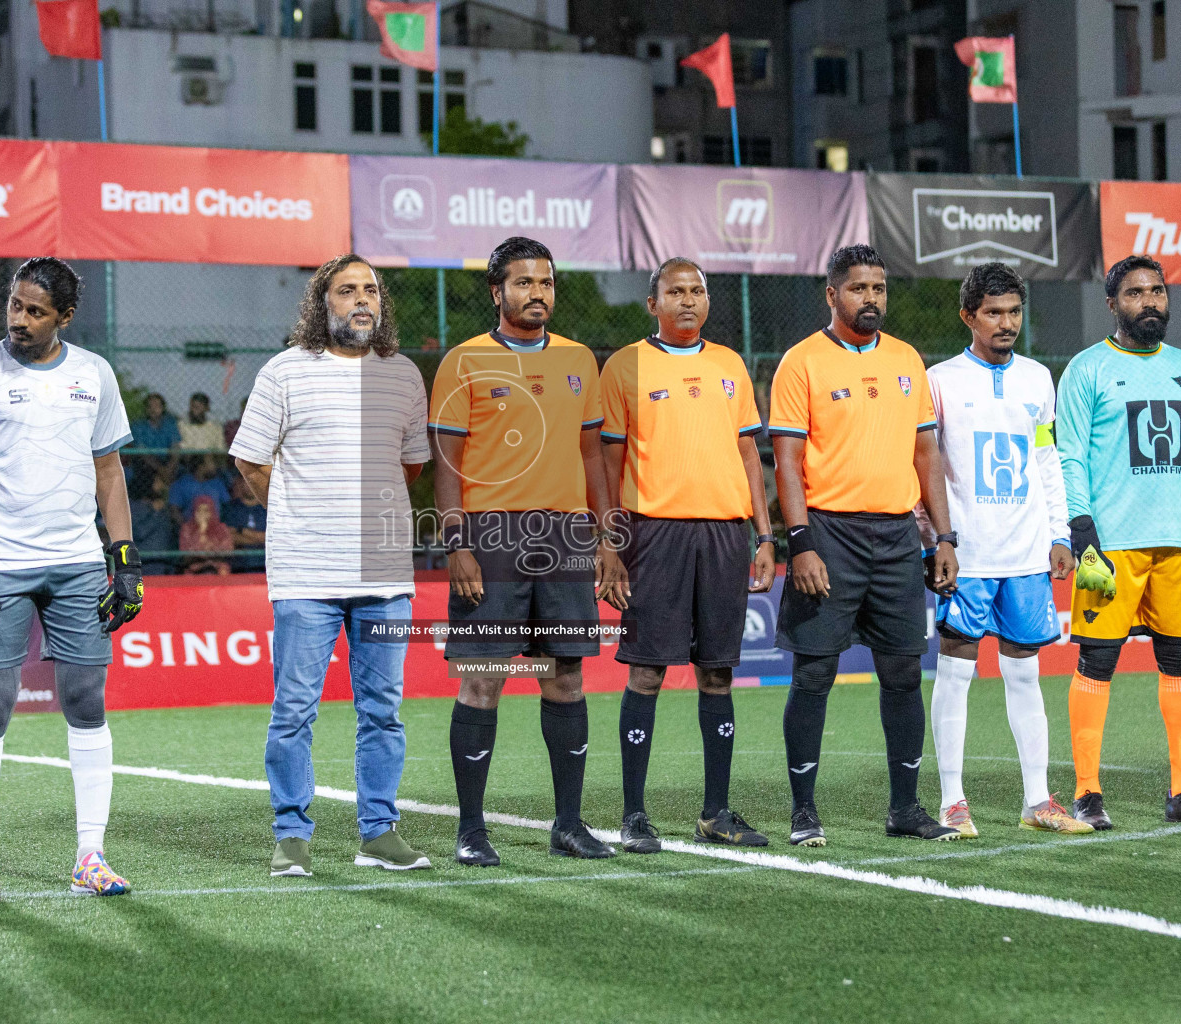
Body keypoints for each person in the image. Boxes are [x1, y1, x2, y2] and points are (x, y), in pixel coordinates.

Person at [0, 256, 144, 904]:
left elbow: (109, 472)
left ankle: (90, 854)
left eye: (34, 311)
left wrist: (125, 560)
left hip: (78, 562)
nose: (18, 320)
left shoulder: (93, 374)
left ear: (65, 317)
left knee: (86, 700)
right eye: (13, 305)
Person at [232, 254, 432, 877]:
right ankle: (291, 835)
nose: (361, 300)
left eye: (370, 289)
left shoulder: (402, 375)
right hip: (305, 574)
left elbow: (412, 466)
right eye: (347, 290)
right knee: (293, 711)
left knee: (384, 710)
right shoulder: (285, 372)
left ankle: (379, 832)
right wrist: (303, 516)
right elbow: (250, 462)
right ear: (323, 303)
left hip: (385, 576)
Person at [430, 236, 624, 867]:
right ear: (497, 291)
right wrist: (456, 541)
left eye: (545, 283)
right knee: (482, 680)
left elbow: (592, 454)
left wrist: (605, 538)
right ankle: (471, 830)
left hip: (565, 538)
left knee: (565, 676)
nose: (536, 294)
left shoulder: (579, 361)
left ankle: (569, 824)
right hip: (491, 538)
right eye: (523, 283)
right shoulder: (463, 362)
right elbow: (447, 462)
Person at [768, 244, 961, 847]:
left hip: (899, 536)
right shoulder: (801, 363)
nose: (870, 298)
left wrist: (943, 536)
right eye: (858, 289)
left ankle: (905, 808)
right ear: (832, 295)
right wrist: (798, 543)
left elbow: (927, 455)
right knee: (815, 673)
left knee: (903, 671)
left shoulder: (907, 359)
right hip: (828, 534)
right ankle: (804, 810)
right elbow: (788, 460)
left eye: (878, 288)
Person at [599, 257, 778, 852]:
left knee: (718, 672)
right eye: (675, 291)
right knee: (647, 671)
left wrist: (765, 534)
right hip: (656, 535)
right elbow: (608, 461)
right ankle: (633, 815)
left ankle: (716, 812)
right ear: (652, 303)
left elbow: (751, 456)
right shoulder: (626, 365)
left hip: (726, 535)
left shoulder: (730, 365)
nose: (687, 300)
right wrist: (611, 545)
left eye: (697, 291)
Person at [1058, 255, 1181, 829]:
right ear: (1112, 303)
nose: (1150, 301)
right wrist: (1082, 531)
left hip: (1180, 546)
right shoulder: (1086, 370)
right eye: (1135, 293)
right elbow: (1070, 458)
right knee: (1098, 660)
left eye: (1157, 291)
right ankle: (1088, 793)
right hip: (1111, 546)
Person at [920, 263, 1090, 837]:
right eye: (993, 312)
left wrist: (1059, 534)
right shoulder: (939, 379)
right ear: (969, 316)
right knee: (955, 673)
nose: (1006, 322)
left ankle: (1038, 801)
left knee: (1025, 675)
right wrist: (933, 538)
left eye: (1014, 311)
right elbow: (926, 464)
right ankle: (951, 801)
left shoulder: (1039, 379)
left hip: (1024, 554)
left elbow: (1046, 459)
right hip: (966, 553)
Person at [129, 468, 179, 576]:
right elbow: (139, 532)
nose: (162, 485)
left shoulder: (161, 504)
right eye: (158, 481)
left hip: (166, 561)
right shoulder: (136, 506)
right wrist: (155, 513)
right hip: (146, 561)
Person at [130, 393, 182, 479]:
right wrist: (161, 470)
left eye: (157, 406)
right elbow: (142, 451)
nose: (153, 409)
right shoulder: (137, 426)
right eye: (150, 406)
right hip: (146, 463)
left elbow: (175, 446)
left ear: (162, 408)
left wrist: (170, 467)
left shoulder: (170, 425)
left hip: (166, 460)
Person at [180, 495, 234, 575]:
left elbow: (228, 549)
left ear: (212, 511)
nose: (202, 514)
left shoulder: (221, 528)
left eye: (206, 511)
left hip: (218, 567)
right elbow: (186, 552)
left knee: (223, 571)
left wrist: (208, 549)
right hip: (195, 568)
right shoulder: (187, 529)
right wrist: (201, 531)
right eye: (199, 510)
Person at [168, 453, 231, 518]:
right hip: (191, 526)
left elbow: (227, 507)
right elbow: (174, 510)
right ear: (201, 467)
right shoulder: (182, 483)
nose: (214, 466)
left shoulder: (217, 483)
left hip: (215, 527)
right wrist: (185, 527)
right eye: (211, 463)